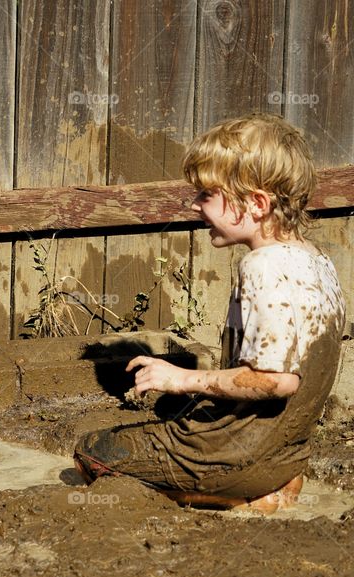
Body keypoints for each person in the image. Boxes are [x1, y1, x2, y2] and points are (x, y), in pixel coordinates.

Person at [74, 113, 346, 514]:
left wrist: (183, 378)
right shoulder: (317, 260)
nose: (195, 204)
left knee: (92, 452)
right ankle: (277, 479)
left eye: (206, 194)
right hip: (289, 451)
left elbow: (277, 380)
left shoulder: (264, 266)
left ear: (256, 203)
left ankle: (242, 494)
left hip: (239, 457)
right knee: (182, 412)